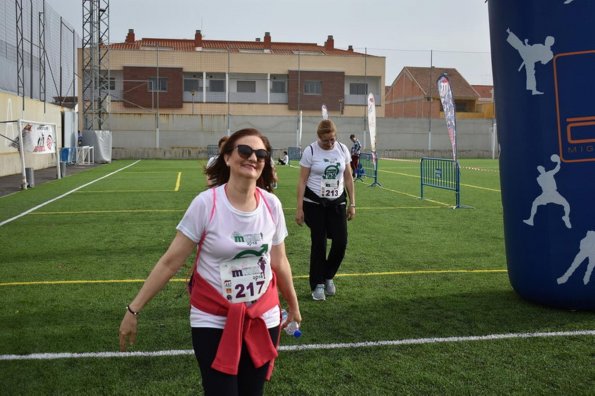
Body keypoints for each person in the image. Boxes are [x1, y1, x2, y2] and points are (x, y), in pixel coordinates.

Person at [119, 128, 302, 395]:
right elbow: (170, 262)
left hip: (263, 316)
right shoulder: (206, 204)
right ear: (227, 158)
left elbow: (280, 262)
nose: (253, 158)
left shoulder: (271, 205)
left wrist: (293, 306)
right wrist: (133, 309)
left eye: (261, 154)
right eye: (245, 151)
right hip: (213, 318)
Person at [295, 119, 355, 301]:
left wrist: (353, 203)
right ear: (318, 137)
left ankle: (328, 275)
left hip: (337, 202)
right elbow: (302, 181)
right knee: (319, 242)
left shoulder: (342, 149)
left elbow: (348, 177)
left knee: (341, 242)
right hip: (314, 203)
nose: (329, 143)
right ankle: (317, 284)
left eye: (332, 139)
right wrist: (299, 208)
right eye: (326, 140)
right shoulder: (310, 151)